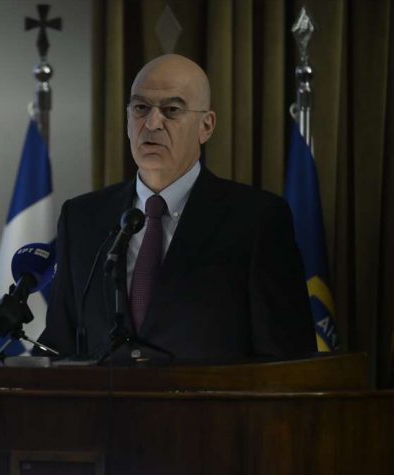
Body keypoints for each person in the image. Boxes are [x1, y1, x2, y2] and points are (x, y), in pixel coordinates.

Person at [37, 54, 316, 362]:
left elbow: (285, 359)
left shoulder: (257, 219)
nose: (152, 123)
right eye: (140, 108)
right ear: (128, 119)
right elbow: (59, 344)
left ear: (206, 126)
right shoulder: (82, 218)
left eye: (171, 110)